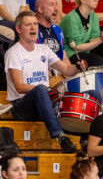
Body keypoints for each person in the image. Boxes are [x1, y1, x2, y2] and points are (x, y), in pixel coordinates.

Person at [5, 11, 85, 153]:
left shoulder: (44, 49)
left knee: (88, 94)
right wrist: (44, 90)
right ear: (18, 29)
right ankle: (59, 136)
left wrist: (78, 67)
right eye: (28, 25)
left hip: (44, 101)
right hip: (22, 106)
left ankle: (85, 138)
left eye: (35, 24)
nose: (33, 28)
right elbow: (19, 86)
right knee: (42, 89)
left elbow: (66, 69)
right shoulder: (14, 53)